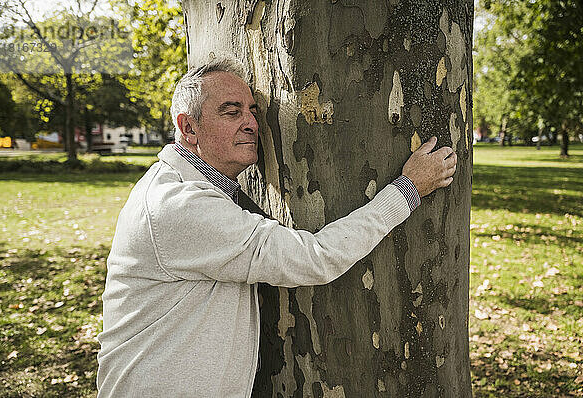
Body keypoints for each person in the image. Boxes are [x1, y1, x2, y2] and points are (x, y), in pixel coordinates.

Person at [96, 57, 457, 397]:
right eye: (231, 111)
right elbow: (315, 258)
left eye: (252, 110)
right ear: (188, 128)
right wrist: (407, 189)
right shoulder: (179, 205)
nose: (252, 123)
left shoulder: (195, 189)